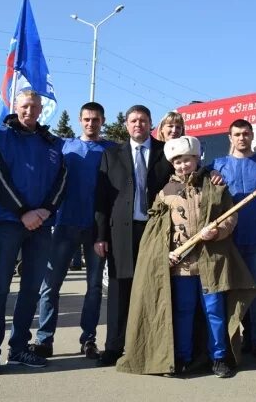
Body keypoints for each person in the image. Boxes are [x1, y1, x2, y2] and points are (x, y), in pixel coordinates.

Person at [116, 135, 256, 377]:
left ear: (196, 158)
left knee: (214, 312)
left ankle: (219, 358)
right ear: (172, 163)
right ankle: (181, 357)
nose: (183, 165)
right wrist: (164, 254)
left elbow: (230, 217)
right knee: (183, 312)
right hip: (181, 266)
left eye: (188, 160)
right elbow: (157, 231)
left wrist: (217, 233)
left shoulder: (214, 185)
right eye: (178, 161)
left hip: (211, 265)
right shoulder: (166, 193)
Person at [0, 90, 67, 375]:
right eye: (25, 106)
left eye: (35, 106)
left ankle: (19, 347)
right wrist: (22, 212)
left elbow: (61, 181)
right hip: (9, 223)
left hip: (41, 225)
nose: (30, 111)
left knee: (31, 289)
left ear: (42, 109)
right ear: (15, 107)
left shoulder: (52, 144)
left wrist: (45, 211)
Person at [30, 102, 114, 360]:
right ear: (80, 120)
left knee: (93, 289)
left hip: (96, 230)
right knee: (50, 286)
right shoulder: (64, 145)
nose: (91, 124)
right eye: (87, 119)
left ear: (103, 121)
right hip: (65, 225)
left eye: (96, 120)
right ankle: (44, 340)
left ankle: (88, 340)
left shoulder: (111, 150)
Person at [94, 105, 173, 366]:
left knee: (153, 288)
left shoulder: (166, 152)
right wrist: (101, 236)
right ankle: (114, 347)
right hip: (121, 234)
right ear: (126, 125)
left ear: (150, 124)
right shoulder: (111, 155)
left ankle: (149, 347)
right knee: (119, 290)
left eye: (142, 120)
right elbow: (102, 199)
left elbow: (188, 172)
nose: (138, 124)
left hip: (155, 231)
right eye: (133, 120)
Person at [211, 119, 256, 356]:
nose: (242, 138)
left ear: (253, 136)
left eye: (246, 134)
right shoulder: (218, 166)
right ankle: (232, 342)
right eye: (237, 134)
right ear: (230, 138)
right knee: (229, 292)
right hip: (229, 242)